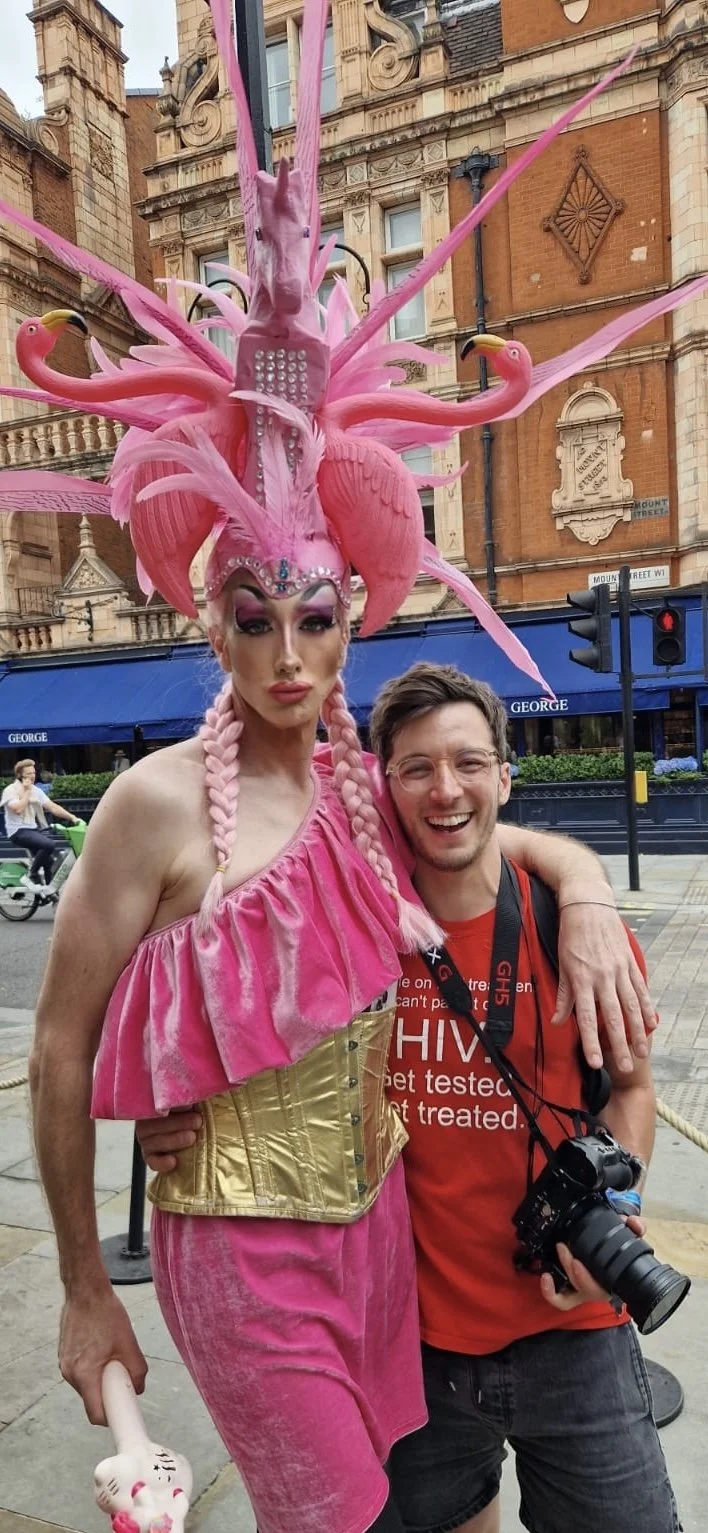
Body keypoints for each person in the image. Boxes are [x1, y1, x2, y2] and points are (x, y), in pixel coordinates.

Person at [1, 759, 79, 892]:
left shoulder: (36, 790)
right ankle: (32, 874)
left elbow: (52, 807)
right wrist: (26, 791)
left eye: (34, 772)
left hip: (33, 829)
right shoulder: (11, 790)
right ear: (20, 775)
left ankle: (51, 892)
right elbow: (18, 809)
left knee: (50, 862)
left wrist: (72, 817)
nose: (33, 775)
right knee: (49, 844)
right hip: (18, 831)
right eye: (29, 773)